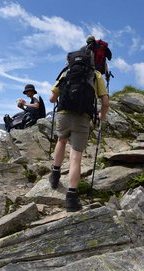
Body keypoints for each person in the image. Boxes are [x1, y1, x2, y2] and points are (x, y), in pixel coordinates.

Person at [48, 54, 110, 212]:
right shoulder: (95, 74)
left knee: (61, 140)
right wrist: (101, 116)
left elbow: (52, 98)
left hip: (63, 113)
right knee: (76, 156)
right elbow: (105, 102)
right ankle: (71, 199)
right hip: (83, 117)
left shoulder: (66, 72)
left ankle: (55, 174)